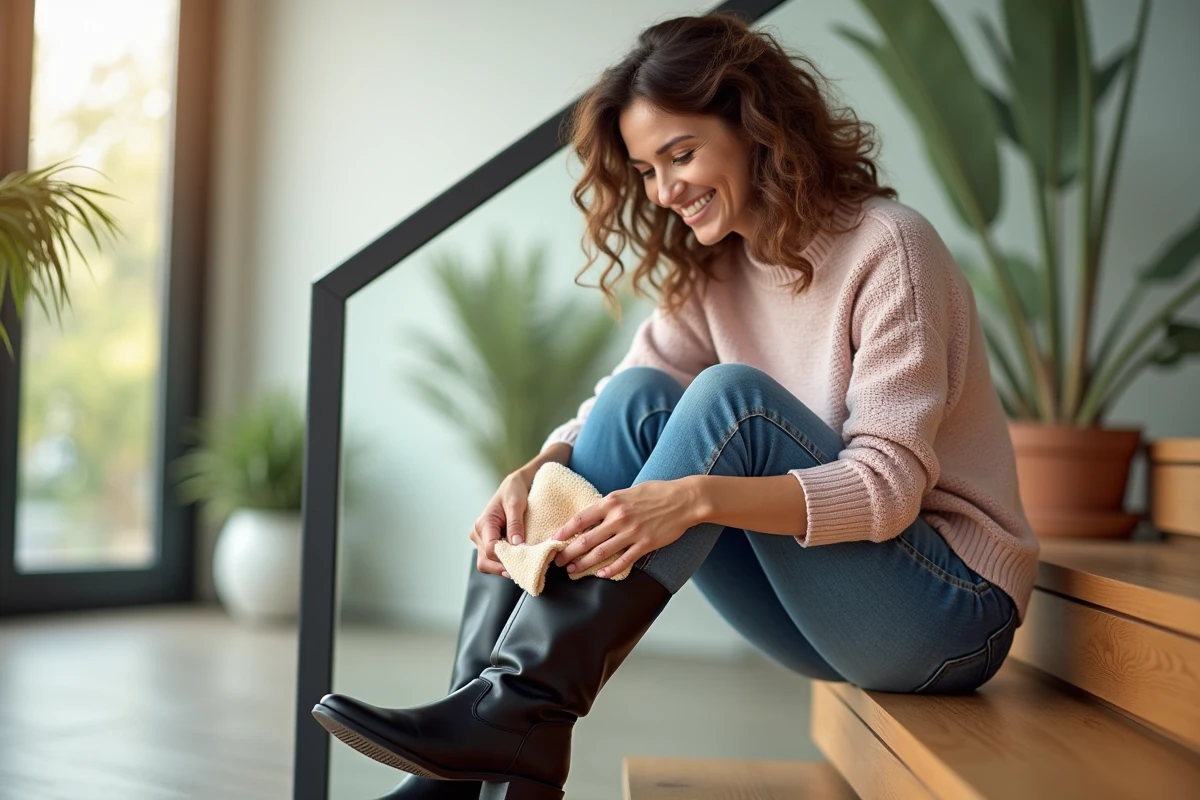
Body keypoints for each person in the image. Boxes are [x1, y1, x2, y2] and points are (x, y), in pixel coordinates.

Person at [312, 13, 1039, 800]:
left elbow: (887, 489)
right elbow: (614, 411)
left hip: (948, 612)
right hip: (821, 616)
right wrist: (536, 468)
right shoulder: (715, 272)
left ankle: (513, 718)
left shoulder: (889, 248)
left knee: (735, 404)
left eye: (681, 154)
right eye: (647, 170)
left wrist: (691, 498)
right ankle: (479, 736)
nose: (664, 192)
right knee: (633, 402)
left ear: (758, 127)